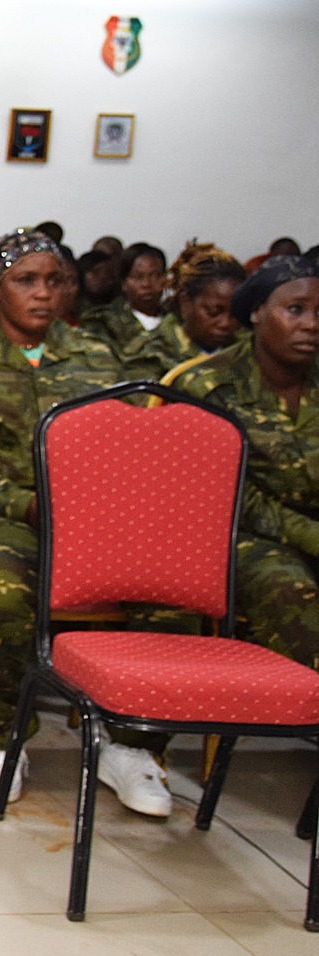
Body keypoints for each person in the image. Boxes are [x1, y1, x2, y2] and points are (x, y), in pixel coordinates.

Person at [0, 228, 170, 808]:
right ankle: (5, 737)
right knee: (1, 590)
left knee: (170, 589)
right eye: (26, 280)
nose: (43, 293)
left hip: (86, 519)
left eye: (56, 280)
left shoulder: (95, 359)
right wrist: (24, 503)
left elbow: (130, 452)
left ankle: (129, 745)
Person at [171, 256, 319, 671]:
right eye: (295, 310)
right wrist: (310, 535)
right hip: (238, 535)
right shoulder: (206, 385)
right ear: (256, 312)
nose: (311, 324)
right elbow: (223, 495)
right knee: (288, 589)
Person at [119, 242, 245, 380]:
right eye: (213, 313)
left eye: (235, 314)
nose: (225, 323)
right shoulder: (151, 357)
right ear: (185, 302)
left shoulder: (246, 347)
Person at [81, 241, 165, 352]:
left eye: (154, 276)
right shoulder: (103, 322)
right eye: (138, 277)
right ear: (124, 283)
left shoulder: (177, 319)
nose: (146, 284)